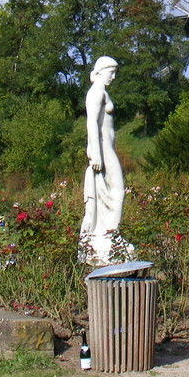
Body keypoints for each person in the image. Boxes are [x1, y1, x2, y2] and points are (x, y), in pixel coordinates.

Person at [80, 56, 128, 264]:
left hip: (107, 148)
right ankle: (109, 234)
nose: (114, 76)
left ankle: (109, 233)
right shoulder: (96, 93)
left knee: (114, 192)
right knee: (117, 191)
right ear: (100, 71)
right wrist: (97, 153)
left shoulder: (102, 92)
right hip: (103, 149)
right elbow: (91, 123)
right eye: (111, 72)